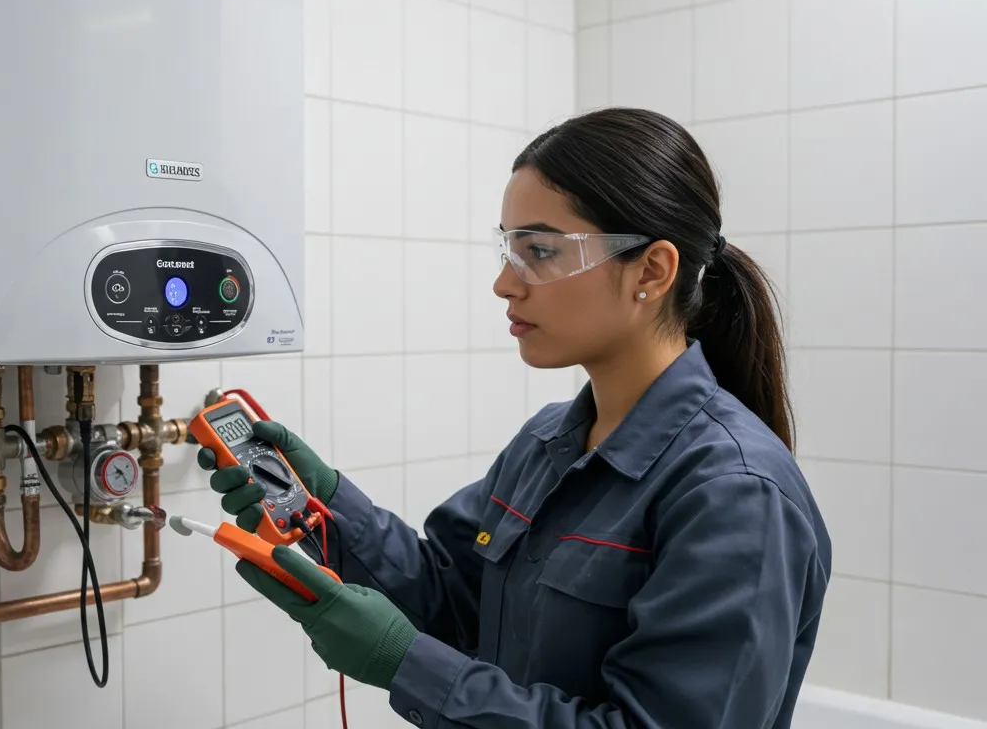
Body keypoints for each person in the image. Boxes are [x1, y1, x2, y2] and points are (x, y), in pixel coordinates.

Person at [197, 106, 832, 728]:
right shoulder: (549, 441)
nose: (505, 282)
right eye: (508, 248)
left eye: (540, 251)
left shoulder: (734, 494)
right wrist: (326, 505)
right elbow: (453, 599)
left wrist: (401, 662)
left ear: (652, 270)